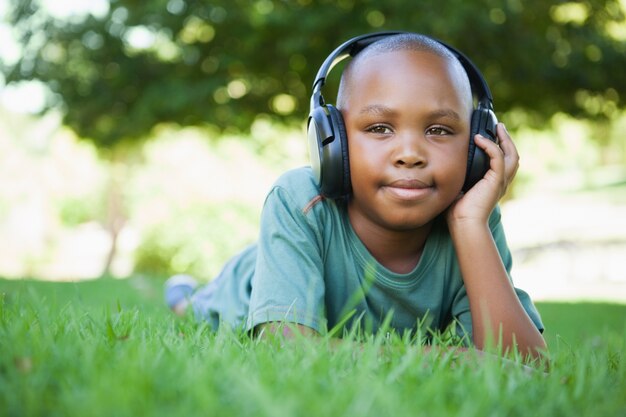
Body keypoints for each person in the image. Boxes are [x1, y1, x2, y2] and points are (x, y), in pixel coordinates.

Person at [165, 32, 546, 359]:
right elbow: (288, 349)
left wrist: (470, 224)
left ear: (477, 148)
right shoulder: (298, 200)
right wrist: (458, 360)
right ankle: (182, 295)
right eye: (380, 128)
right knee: (195, 310)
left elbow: (524, 363)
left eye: (439, 130)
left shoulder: (471, 216)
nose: (410, 154)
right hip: (246, 283)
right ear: (333, 142)